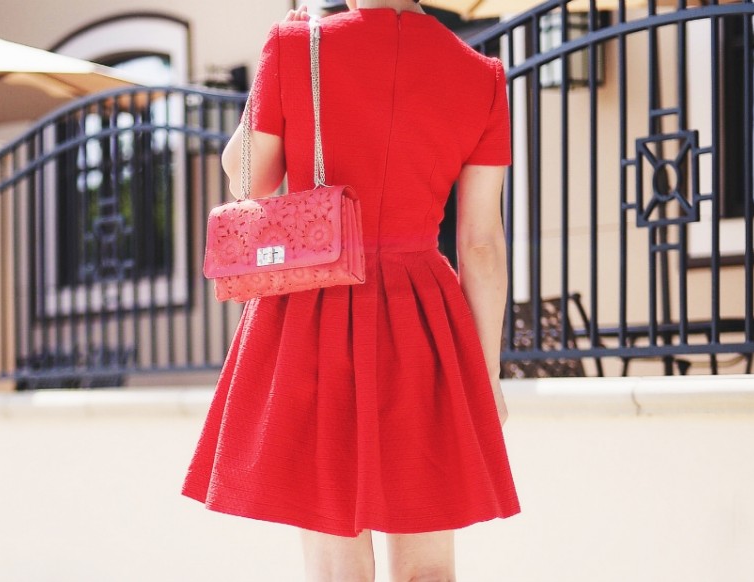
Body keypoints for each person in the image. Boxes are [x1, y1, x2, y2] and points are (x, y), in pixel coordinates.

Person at [183, 0, 520, 579]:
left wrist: (274, 77)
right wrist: (483, 377)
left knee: (336, 564)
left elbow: (249, 178)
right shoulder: (480, 75)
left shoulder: (294, 45)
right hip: (424, 320)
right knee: (429, 565)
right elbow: (481, 244)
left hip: (314, 310)